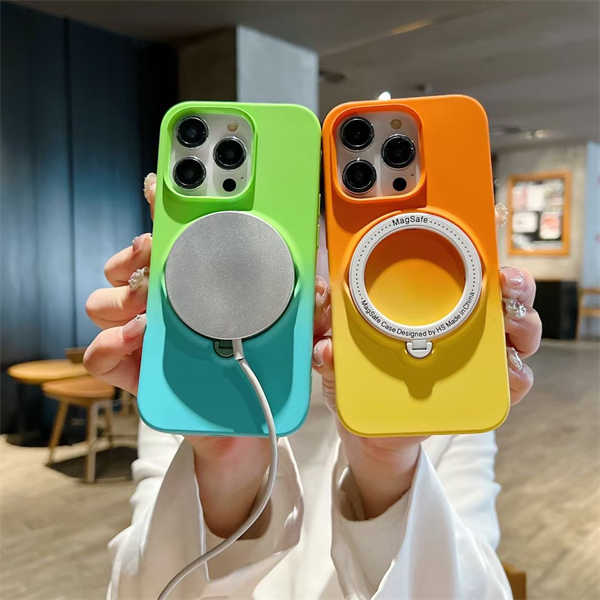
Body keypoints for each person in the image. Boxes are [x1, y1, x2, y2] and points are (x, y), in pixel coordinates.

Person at [84, 172, 542, 600]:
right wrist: (225, 461)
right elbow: (144, 588)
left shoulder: (442, 392)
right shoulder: (193, 382)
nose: (328, 276)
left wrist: (387, 462)